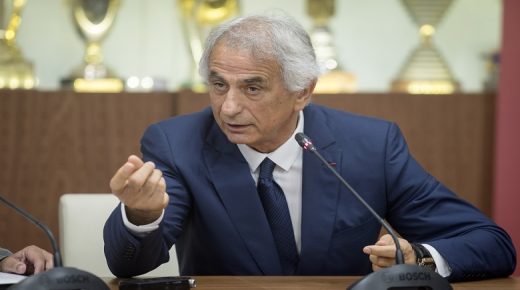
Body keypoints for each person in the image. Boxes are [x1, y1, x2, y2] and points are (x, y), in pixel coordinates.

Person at [103, 12, 516, 281]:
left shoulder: (371, 145)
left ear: (303, 91)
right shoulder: (176, 144)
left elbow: (491, 244)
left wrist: (420, 258)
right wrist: (140, 214)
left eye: (252, 87)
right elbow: (129, 265)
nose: (228, 107)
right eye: (218, 84)